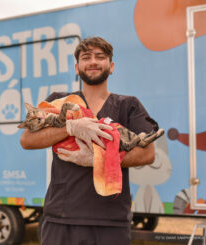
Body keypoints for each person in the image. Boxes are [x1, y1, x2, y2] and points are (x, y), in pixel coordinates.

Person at [20, 36, 155, 245]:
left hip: (111, 221)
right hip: (60, 218)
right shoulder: (59, 101)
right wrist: (70, 127)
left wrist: (99, 158)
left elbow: (148, 153)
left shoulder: (129, 105)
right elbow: (27, 140)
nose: (93, 61)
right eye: (86, 57)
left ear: (111, 67)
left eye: (100, 57)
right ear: (77, 67)